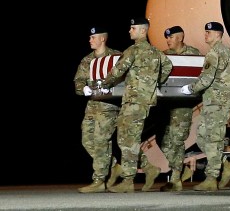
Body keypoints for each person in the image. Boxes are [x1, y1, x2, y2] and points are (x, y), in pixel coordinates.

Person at [103, 18, 173, 193]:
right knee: (128, 137)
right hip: (145, 101)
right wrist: (156, 82)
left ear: (143, 31)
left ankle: (128, 180)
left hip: (133, 101)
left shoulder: (132, 51)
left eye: (133, 28)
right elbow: (168, 66)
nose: (129, 31)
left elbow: (117, 71)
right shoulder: (157, 53)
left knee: (128, 139)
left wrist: (104, 84)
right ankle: (149, 169)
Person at [180, 21, 230, 191]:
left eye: (209, 32)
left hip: (217, 103)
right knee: (201, 136)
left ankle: (212, 177)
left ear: (218, 35)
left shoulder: (214, 53)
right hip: (216, 103)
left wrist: (190, 89)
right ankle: (225, 165)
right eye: (206, 32)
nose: (206, 35)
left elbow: (206, 79)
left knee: (213, 140)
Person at [140, 25, 202, 192]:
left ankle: (175, 179)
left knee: (177, 140)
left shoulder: (194, 54)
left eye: (171, 37)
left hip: (183, 106)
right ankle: (179, 167)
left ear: (180, 38)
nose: (167, 40)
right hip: (165, 107)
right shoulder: (164, 55)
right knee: (162, 139)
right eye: (166, 37)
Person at [73, 26, 122, 193]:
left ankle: (99, 180)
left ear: (103, 39)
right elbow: (78, 81)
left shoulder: (116, 57)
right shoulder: (87, 60)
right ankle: (114, 166)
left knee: (101, 141)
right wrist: (83, 88)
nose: (90, 40)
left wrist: (114, 87)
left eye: (93, 37)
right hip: (92, 105)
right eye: (90, 37)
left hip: (109, 105)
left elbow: (125, 77)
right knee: (87, 140)